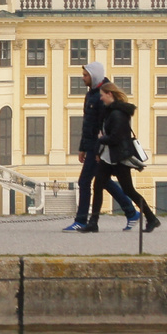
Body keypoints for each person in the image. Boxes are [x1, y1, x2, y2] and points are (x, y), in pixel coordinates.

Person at [65, 61, 130, 232]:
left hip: (98, 146)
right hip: (92, 145)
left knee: (84, 181)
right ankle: (131, 212)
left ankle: (81, 220)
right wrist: (82, 148)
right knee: (104, 181)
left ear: (94, 76)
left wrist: (99, 151)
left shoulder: (102, 95)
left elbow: (103, 126)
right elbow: (87, 125)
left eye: (85, 75)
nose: (82, 78)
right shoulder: (91, 94)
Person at [86, 81, 153, 232]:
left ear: (110, 94)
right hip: (109, 158)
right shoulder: (110, 112)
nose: (101, 98)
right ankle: (93, 223)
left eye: (103, 96)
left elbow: (115, 138)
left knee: (129, 190)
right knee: (98, 186)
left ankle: (151, 218)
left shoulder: (118, 114)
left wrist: (101, 138)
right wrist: (99, 151)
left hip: (119, 158)